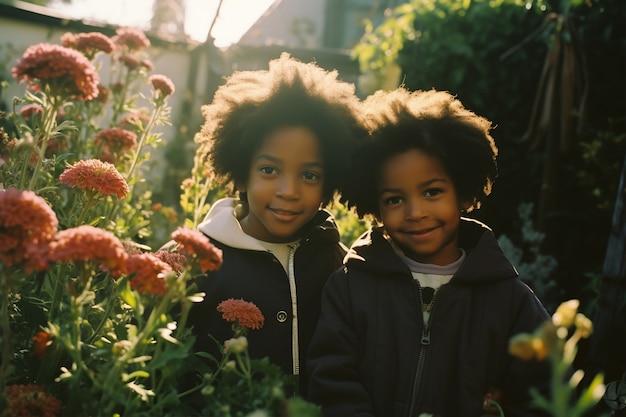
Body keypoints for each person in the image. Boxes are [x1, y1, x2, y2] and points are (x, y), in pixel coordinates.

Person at [306, 87, 551, 416]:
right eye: (394, 199)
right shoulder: (350, 287)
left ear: (463, 192)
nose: (416, 212)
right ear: (374, 204)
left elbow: (543, 395)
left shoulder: (511, 302)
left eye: (432, 191)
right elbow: (331, 383)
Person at [186, 53, 365, 397]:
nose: (288, 191)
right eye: (269, 170)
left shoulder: (344, 269)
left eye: (309, 175)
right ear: (241, 170)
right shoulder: (194, 259)